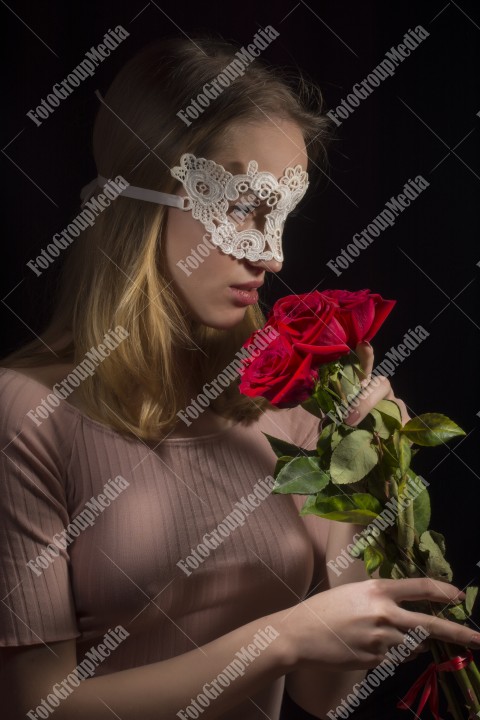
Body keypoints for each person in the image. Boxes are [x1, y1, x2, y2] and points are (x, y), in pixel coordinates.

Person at [0, 35, 478, 720]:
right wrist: (280, 638)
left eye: (284, 210)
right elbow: (30, 709)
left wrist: (369, 473)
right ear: (145, 197)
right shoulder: (26, 413)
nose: (274, 255)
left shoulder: (285, 407)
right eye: (243, 206)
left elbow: (324, 692)